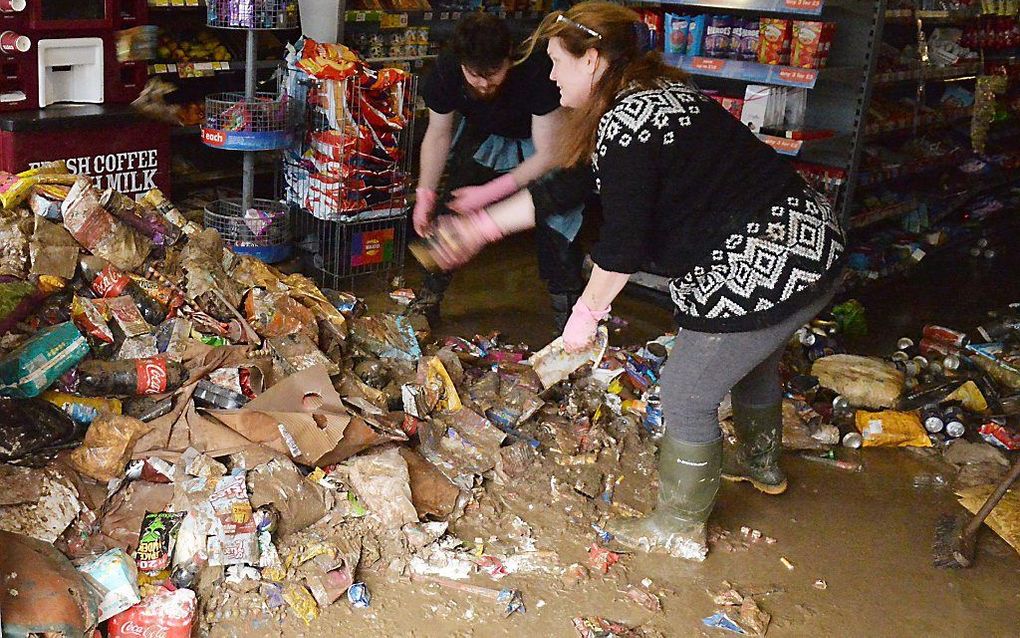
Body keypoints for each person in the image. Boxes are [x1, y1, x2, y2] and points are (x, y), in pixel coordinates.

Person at [416, 1, 847, 561]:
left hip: (771, 258)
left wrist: (583, 318)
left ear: (592, 61)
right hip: (814, 243)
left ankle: (679, 524)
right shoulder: (651, 97)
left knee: (686, 391)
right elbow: (566, 188)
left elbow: (622, 246)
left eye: (555, 62)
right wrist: (481, 228)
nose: (548, 76)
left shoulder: (627, 122)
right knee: (751, 359)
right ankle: (761, 465)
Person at [410, 12, 585, 332]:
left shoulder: (536, 68)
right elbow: (438, 134)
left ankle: (570, 314)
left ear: (509, 59)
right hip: (489, 137)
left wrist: (491, 193)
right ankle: (428, 298)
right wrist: (425, 192)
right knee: (449, 209)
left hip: (546, 142)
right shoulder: (446, 71)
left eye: (493, 73)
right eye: (474, 75)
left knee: (558, 219)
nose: (484, 83)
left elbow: (548, 154)